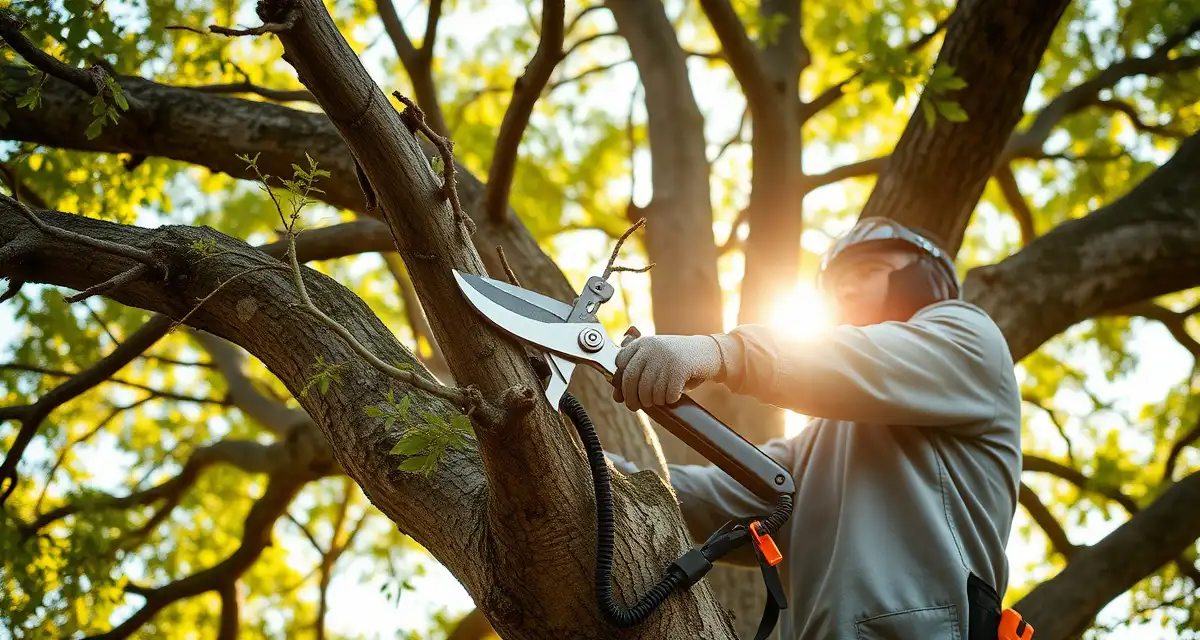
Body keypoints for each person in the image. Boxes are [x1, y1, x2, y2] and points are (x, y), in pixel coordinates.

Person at [607, 217, 1023, 640]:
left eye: (865, 271)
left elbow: (856, 361)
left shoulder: (970, 339)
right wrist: (604, 470)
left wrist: (722, 351)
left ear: (923, 277)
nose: (844, 289)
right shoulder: (818, 445)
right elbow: (703, 495)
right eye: (835, 284)